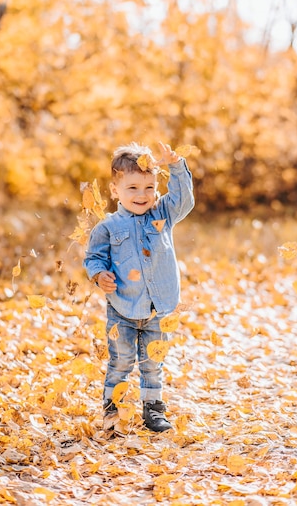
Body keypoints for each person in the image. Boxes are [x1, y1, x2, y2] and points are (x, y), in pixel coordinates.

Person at [83, 141, 195, 432]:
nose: (142, 195)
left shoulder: (162, 216)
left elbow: (184, 199)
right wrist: (99, 275)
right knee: (121, 362)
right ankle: (112, 411)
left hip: (160, 308)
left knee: (152, 363)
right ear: (114, 191)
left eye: (148, 187)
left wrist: (175, 166)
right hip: (123, 307)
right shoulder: (108, 227)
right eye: (132, 188)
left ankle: (154, 410)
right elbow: (93, 258)